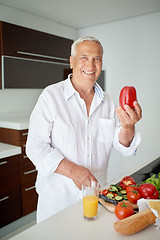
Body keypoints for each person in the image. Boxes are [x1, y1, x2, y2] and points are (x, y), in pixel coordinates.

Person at [26, 36, 142, 223]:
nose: (91, 64)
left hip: (96, 200)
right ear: (71, 61)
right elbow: (35, 146)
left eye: (97, 58)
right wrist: (73, 171)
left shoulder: (109, 102)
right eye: (84, 57)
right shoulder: (51, 96)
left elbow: (123, 145)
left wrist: (129, 126)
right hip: (57, 204)